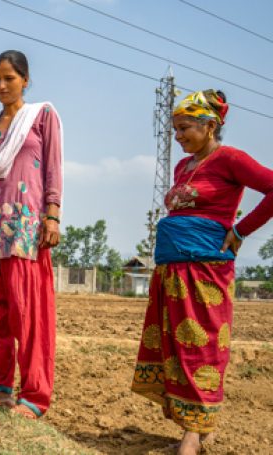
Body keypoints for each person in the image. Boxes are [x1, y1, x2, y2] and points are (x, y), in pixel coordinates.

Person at [130, 89, 273, 455]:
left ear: (210, 126)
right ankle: (193, 423)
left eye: (185, 128)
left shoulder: (231, 159)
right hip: (171, 270)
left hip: (205, 271)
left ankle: (193, 435)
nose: (178, 137)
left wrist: (241, 231)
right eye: (176, 129)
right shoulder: (183, 167)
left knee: (200, 346)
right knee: (175, 347)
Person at [0, 50, 63, 419]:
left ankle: (34, 395)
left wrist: (53, 215)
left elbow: (52, 167)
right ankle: (0, 391)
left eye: (9, 79)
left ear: (25, 79)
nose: (1, 86)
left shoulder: (42, 116)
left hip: (25, 228)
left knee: (28, 315)